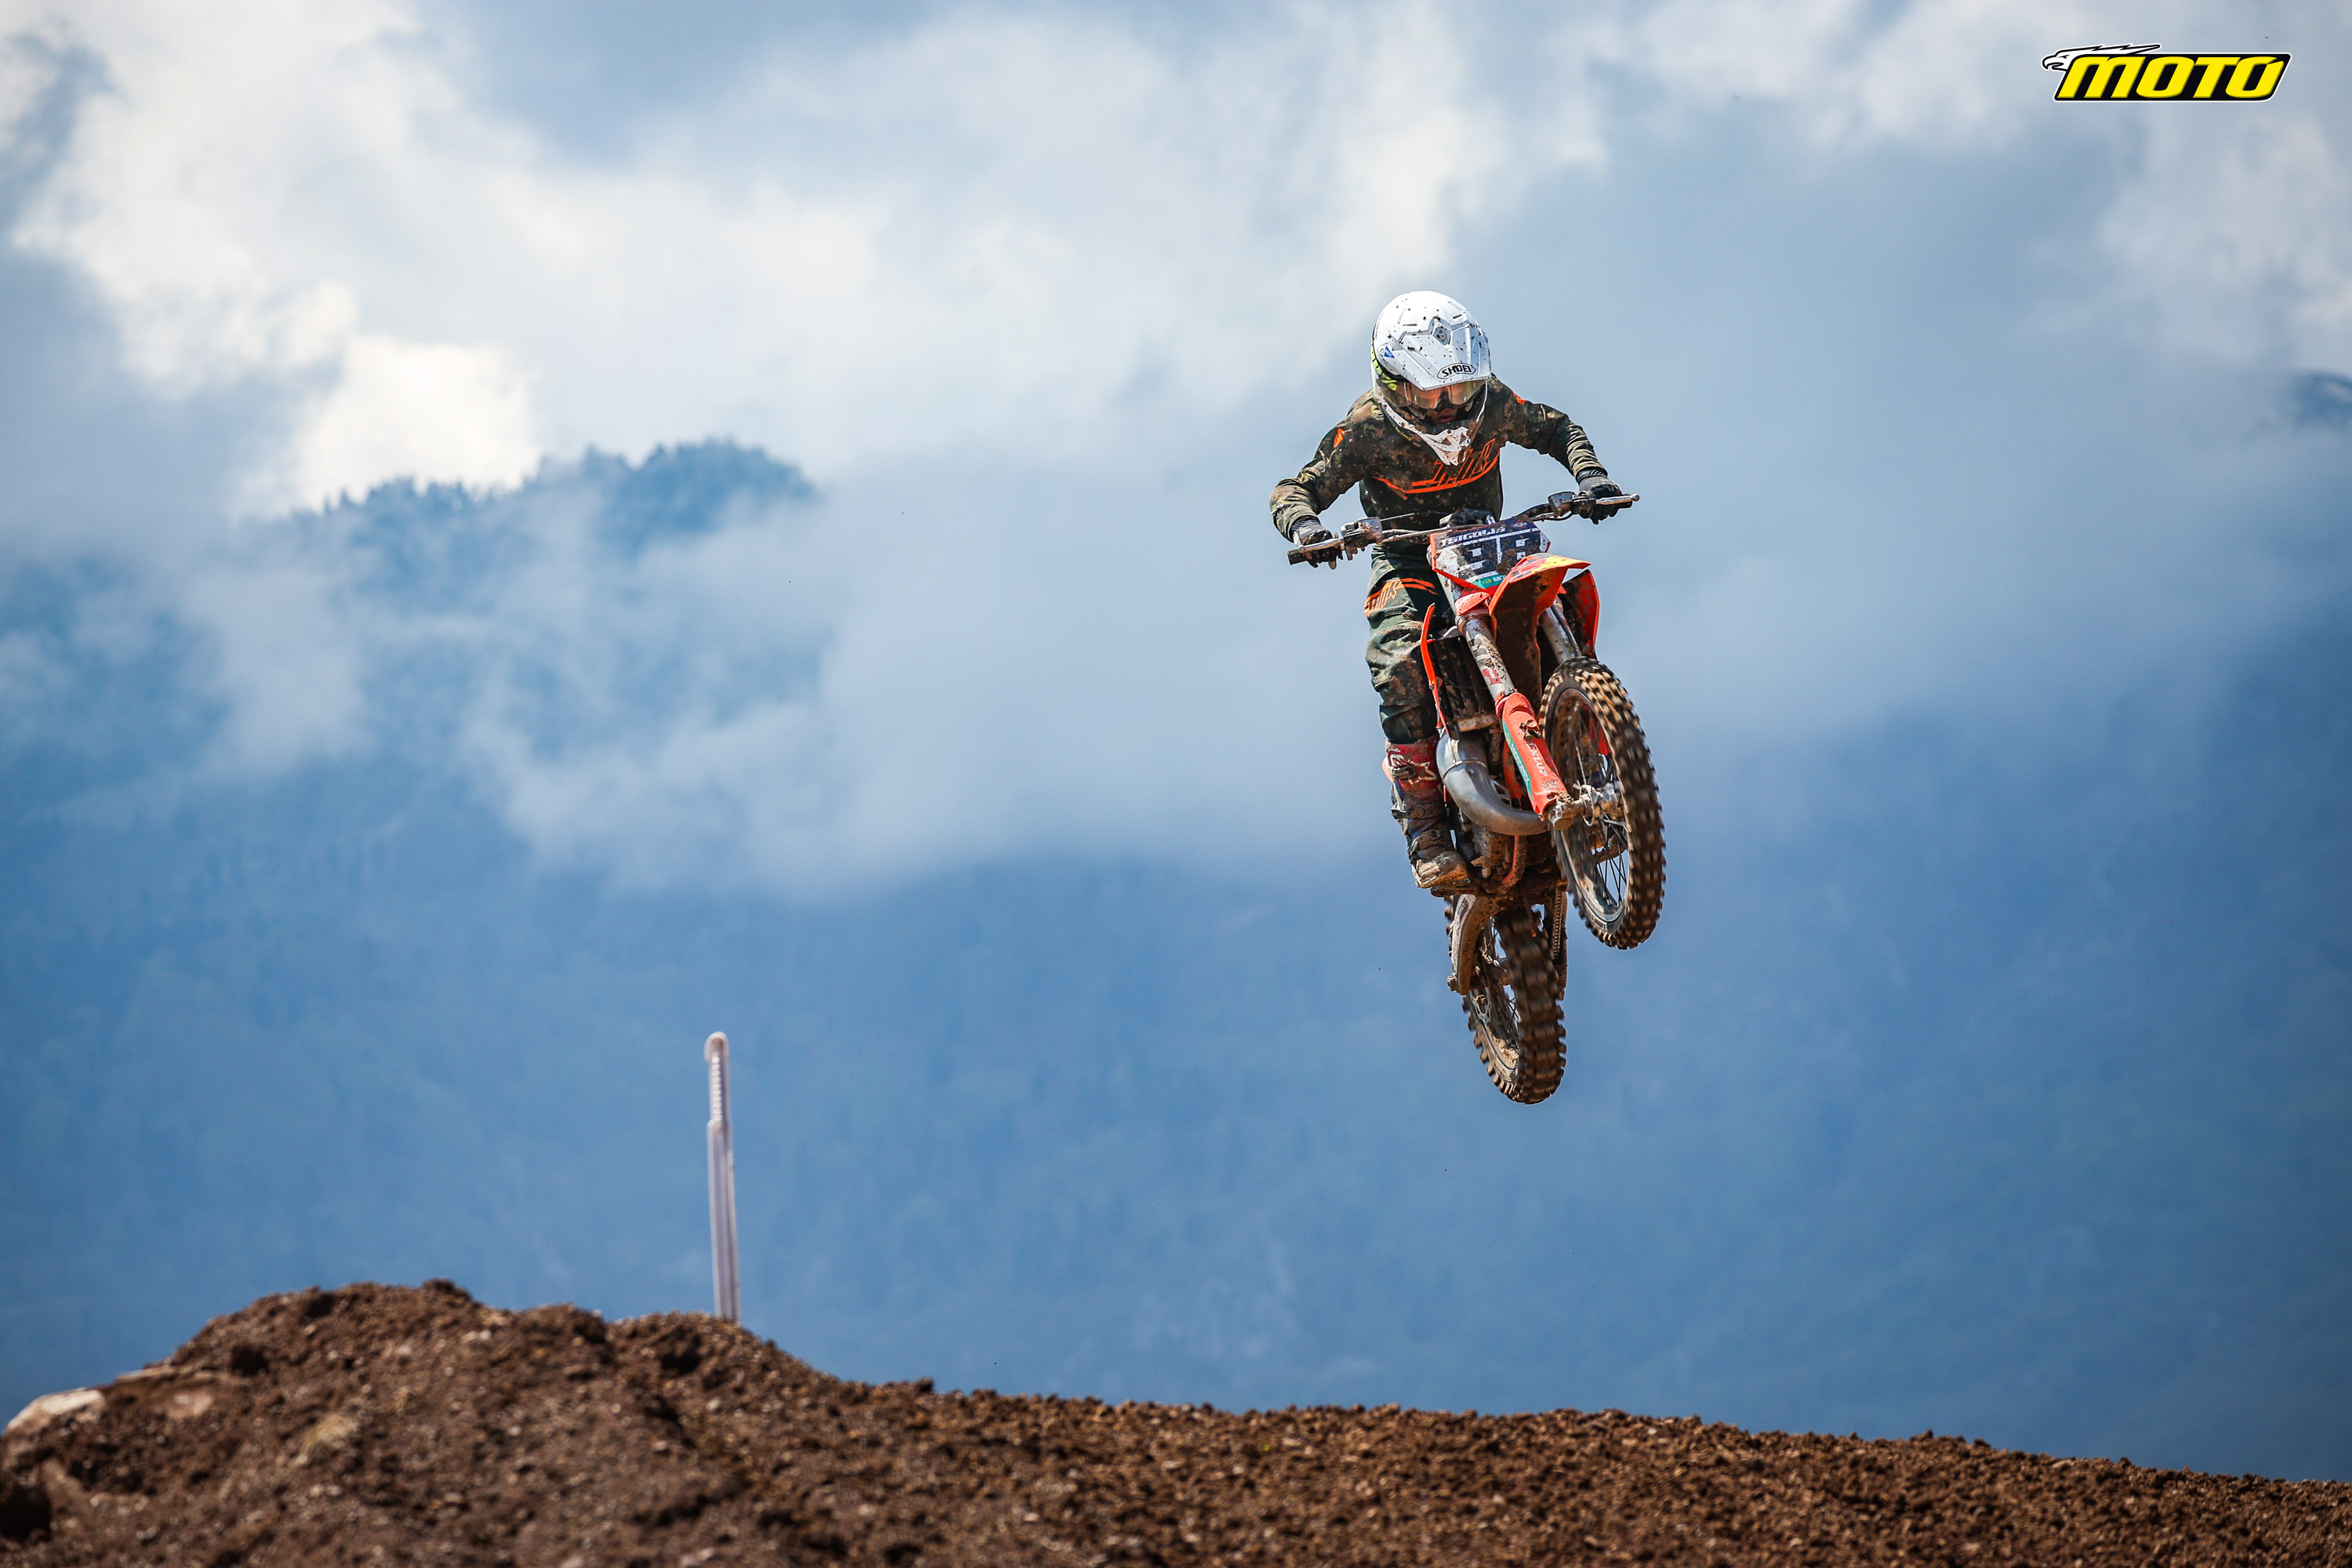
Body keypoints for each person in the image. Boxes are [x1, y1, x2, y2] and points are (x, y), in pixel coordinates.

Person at [1269, 291, 1629, 891]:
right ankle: (1426, 828)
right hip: (1409, 558)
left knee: (1559, 604)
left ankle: (1596, 762)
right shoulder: (1365, 429)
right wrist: (1308, 529)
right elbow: (1295, 489)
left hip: (1489, 541)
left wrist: (1590, 476)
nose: (1447, 407)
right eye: (1430, 394)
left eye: (1459, 390)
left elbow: (1556, 428)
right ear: (1393, 386)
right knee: (1399, 661)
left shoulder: (1495, 405)